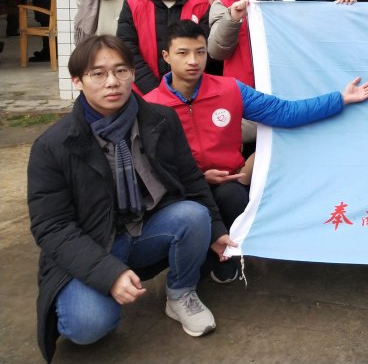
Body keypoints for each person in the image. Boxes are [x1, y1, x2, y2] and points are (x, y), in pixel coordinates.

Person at [27, 35, 235, 362]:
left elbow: (191, 179)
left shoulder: (160, 119)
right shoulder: (53, 146)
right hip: (93, 243)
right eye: (98, 74)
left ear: (133, 74)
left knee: (195, 215)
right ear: (77, 81)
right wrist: (107, 273)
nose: (112, 82)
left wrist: (218, 229)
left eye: (121, 70)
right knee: (88, 326)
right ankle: (85, 293)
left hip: (144, 229)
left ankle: (181, 293)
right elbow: (51, 228)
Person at [146, 20, 368, 283]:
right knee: (189, 219)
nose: (193, 61)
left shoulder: (230, 89)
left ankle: (224, 258)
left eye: (200, 52)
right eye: (183, 53)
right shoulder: (150, 106)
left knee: (234, 197)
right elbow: (151, 171)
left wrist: (340, 99)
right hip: (181, 192)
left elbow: (284, 112)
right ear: (166, 56)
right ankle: (192, 264)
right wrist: (199, 178)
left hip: (227, 185)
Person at [116, 0, 209, 93]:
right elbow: (126, 47)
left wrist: (184, 86)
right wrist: (152, 89)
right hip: (143, 90)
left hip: (190, 90)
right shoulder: (134, 1)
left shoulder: (200, 3)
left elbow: (205, 49)